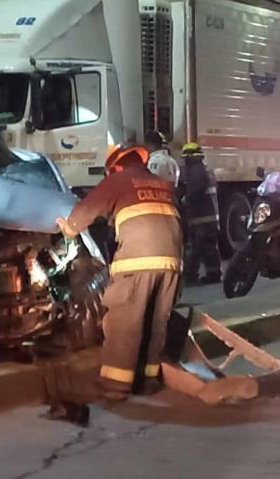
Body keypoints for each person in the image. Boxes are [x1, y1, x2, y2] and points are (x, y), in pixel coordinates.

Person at [55, 144, 182, 400]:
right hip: (172, 262)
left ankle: (115, 384)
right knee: (155, 321)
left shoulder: (118, 181)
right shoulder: (162, 184)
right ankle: (147, 381)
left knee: (125, 321)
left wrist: (68, 228)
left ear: (115, 166)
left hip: (138, 261)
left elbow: (83, 213)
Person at [179, 142, 222, 284]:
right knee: (204, 247)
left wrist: (186, 199)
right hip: (208, 216)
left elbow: (196, 190)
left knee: (202, 247)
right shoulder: (203, 169)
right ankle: (211, 274)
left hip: (202, 217)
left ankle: (207, 275)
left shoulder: (196, 170)